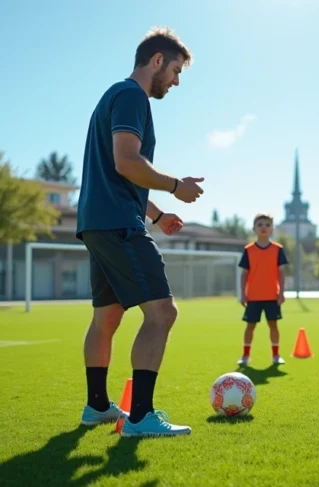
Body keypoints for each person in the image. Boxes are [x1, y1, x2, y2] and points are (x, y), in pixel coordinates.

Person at [76, 27, 203, 437]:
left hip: (99, 222)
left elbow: (123, 176)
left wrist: (157, 212)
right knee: (163, 312)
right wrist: (175, 187)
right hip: (116, 224)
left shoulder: (113, 96)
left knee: (107, 316)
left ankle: (97, 406)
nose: (177, 81)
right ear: (156, 61)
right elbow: (126, 162)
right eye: (176, 71)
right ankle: (140, 417)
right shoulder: (132, 96)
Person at [238, 214, 288, 366]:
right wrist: (243, 293)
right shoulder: (249, 250)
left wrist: (281, 292)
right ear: (254, 229)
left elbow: (281, 273)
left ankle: (276, 355)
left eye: (267, 224)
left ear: (272, 229)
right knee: (250, 326)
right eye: (260, 224)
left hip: (272, 296)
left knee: (273, 325)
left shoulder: (278, 249)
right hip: (253, 296)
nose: (263, 227)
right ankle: (245, 356)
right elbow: (244, 274)